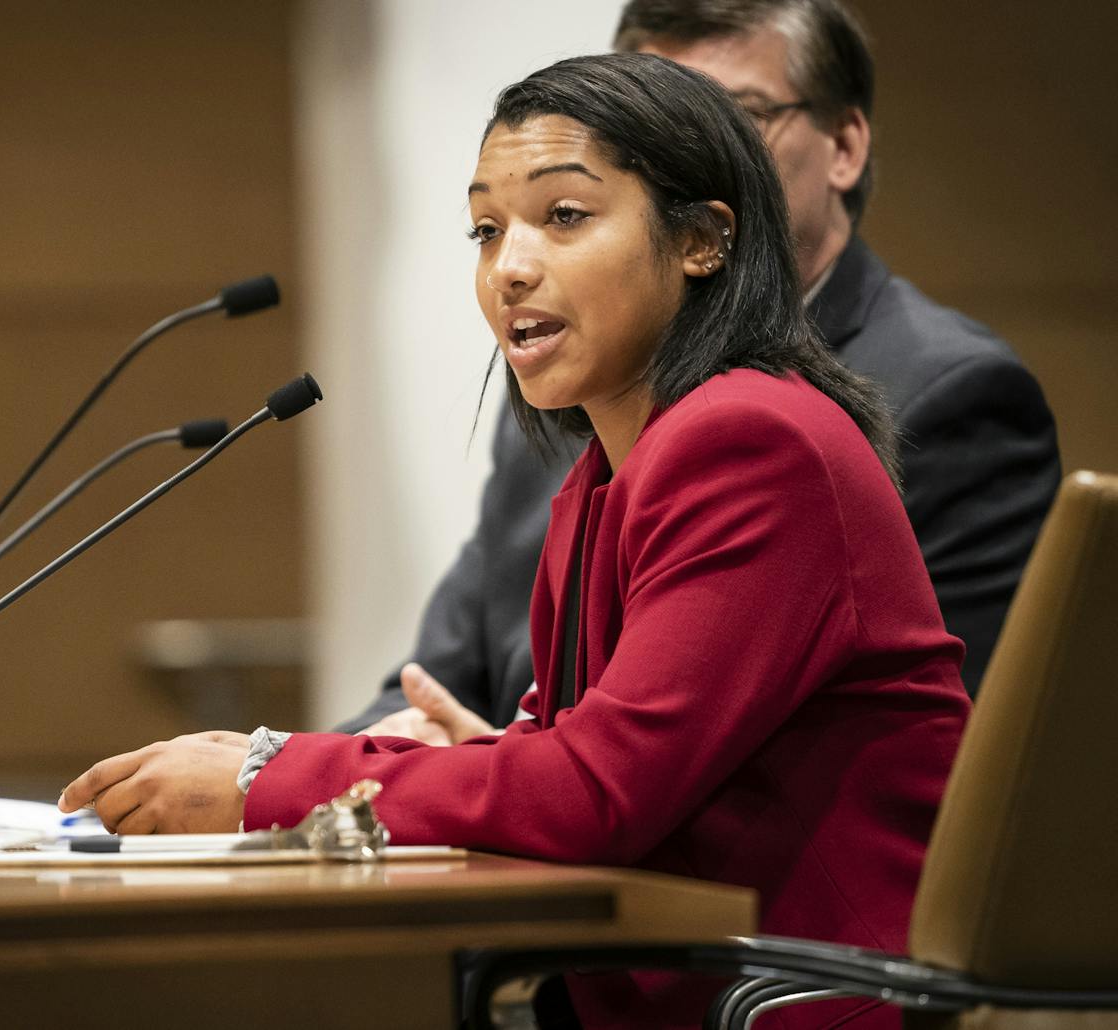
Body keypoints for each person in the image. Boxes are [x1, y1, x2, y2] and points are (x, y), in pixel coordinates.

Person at [61, 53, 972, 1029]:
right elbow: (585, 760)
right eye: (485, 229)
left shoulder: (752, 443)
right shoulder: (602, 476)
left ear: (704, 239)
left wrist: (262, 774)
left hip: (804, 999)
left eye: (563, 216)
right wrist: (491, 758)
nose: (510, 267)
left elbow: (593, 792)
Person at [344, 0, 1059, 745]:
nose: (512, 268)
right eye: (486, 230)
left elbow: (970, 764)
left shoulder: (899, 405)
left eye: (731, 115)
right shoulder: (582, 391)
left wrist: (480, 775)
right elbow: (444, 685)